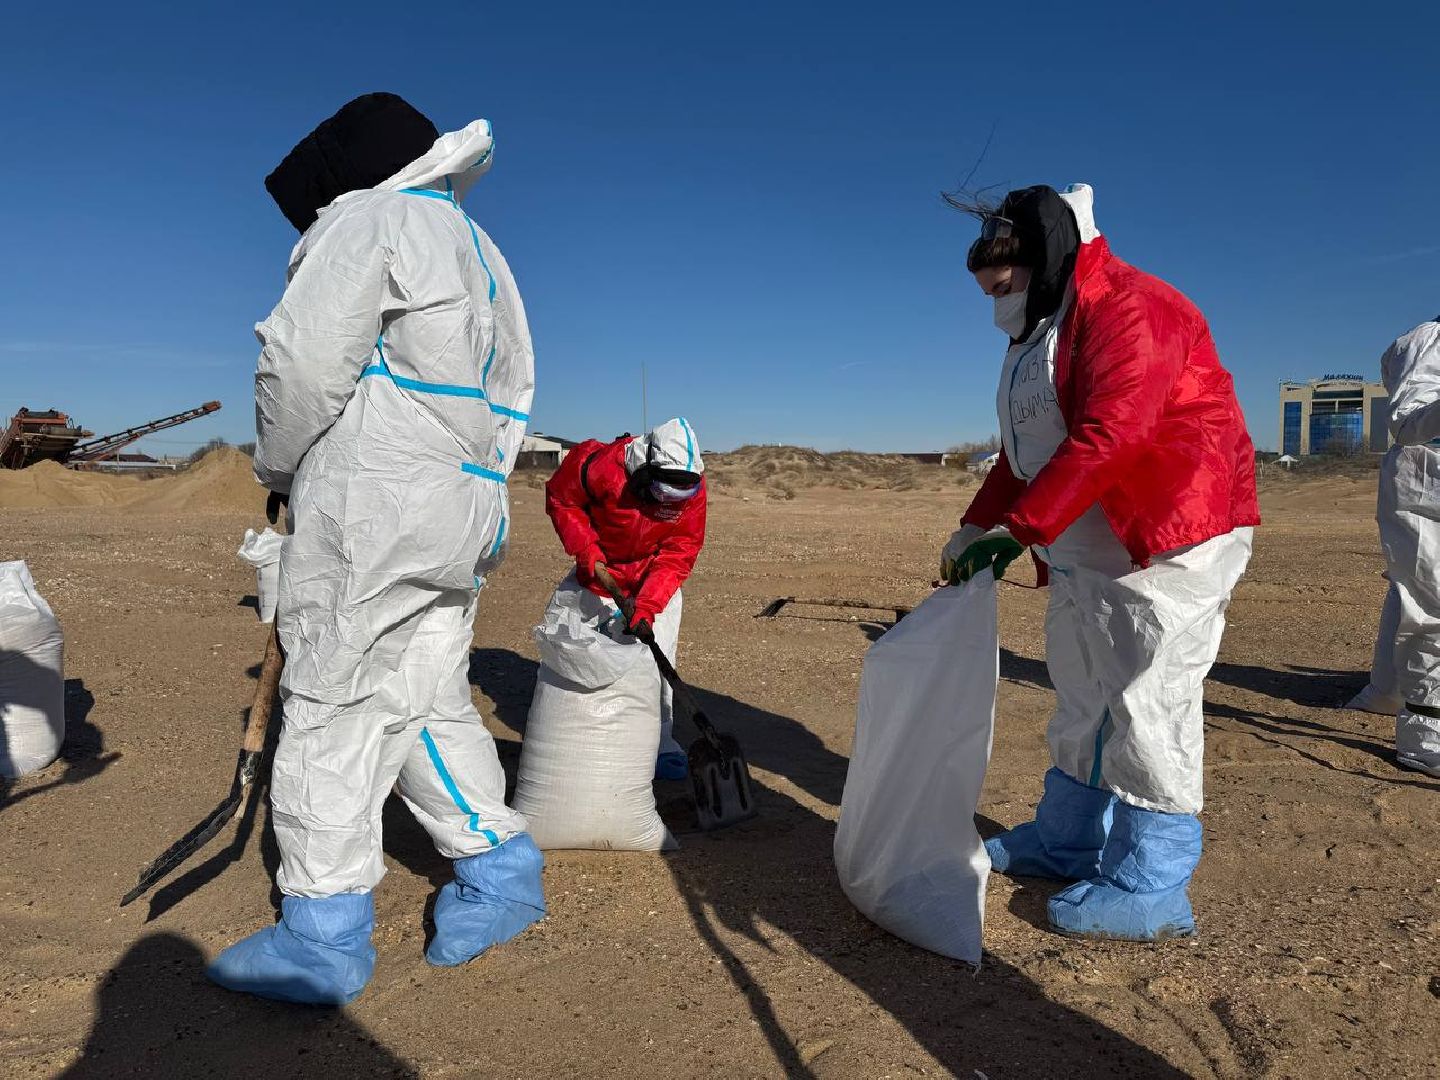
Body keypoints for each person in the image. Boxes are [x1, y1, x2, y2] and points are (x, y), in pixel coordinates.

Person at [207, 93, 545, 1005]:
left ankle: (321, 936)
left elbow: (303, 365)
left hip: (376, 508)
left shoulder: (368, 221)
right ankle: (503, 871)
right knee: (428, 697)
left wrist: (279, 467)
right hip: (465, 508)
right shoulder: (480, 249)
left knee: (330, 701)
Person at [940, 184, 1258, 941]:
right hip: (1085, 542)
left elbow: (1114, 432)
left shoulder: (1134, 308)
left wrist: (1016, 532)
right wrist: (974, 524)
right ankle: (1069, 837)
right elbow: (1029, 451)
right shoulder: (1042, 332)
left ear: (1043, 257)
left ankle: (1154, 881)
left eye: (1002, 286)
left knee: (1149, 696)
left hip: (1163, 535)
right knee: (1084, 691)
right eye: (987, 292)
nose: (996, 304)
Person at [544, 418, 706, 778]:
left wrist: (648, 605)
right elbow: (561, 498)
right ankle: (578, 738)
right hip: (599, 577)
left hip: (653, 585)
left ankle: (660, 743)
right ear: (644, 471)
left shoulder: (692, 486)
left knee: (658, 664)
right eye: (663, 494)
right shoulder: (598, 466)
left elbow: (680, 550)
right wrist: (585, 547)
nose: (669, 502)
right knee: (579, 658)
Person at [1371, 319, 1440, 777]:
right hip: (1425, 485)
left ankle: (1389, 690)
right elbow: (1407, 421)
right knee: (1431, 605)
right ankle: (1424, 736)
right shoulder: (1426, 341)